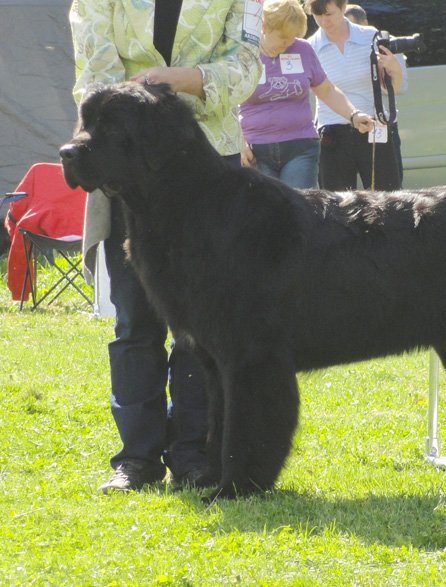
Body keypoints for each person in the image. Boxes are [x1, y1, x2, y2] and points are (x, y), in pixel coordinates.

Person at [68, 0, 263, 493]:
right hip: (120, 166)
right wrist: (137, 106)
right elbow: (93, 69)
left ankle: (194, 454)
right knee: (134, 320)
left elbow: (245, 65)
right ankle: (136, 459)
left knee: (204, 325)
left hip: (206, 167)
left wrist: (180, 79)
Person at [239, 0, 373, 189]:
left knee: (300, 212)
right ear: (264, 26)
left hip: (300, 148)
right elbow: (225, 103)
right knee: (264, 216)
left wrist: (353, 114)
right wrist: (238, 141)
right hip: (255, 151)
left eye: (294, 36)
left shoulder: (302, 49)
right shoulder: (242, 52)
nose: (289, 43)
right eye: (283, 37)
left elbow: (326, 89)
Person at [305, 0, 407, 191]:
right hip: (332, 132)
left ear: (343, 8)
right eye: (318, 15)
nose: (324, 21)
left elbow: (391, 89)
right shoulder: (310, 47)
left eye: (329, 14)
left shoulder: (370, 36)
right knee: (337, 207)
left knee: (387, 200)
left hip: (374, 127)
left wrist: (393, 66)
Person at [344, 2, 405, 186]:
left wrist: (390, 66)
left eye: (352, 27)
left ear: (366, 23)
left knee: (389, 194)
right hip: (346, 128)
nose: (349, 34)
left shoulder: (386, 45)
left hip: (381, 125)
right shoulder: (334, 48)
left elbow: (397, 88)